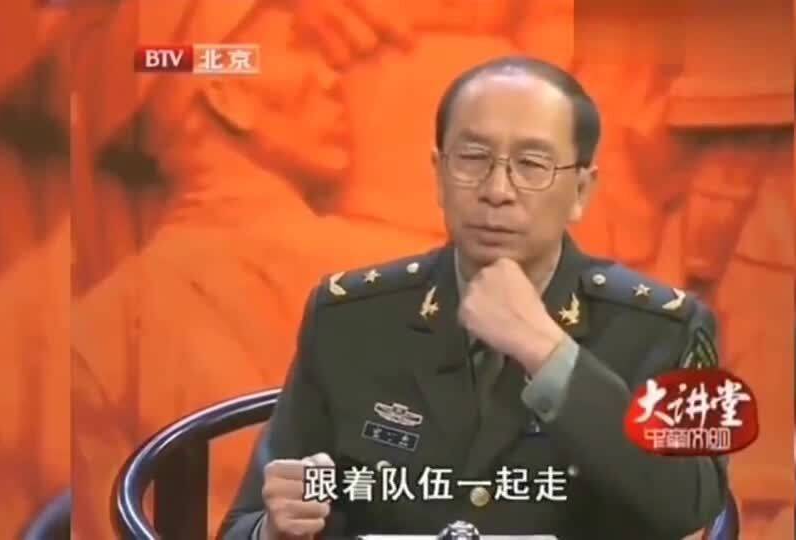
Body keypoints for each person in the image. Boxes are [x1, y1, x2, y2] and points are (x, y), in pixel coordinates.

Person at [219, 56, 728, 539]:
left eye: (531, 164)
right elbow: (245, 525)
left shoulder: (663, 329)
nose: (497, 190)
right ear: (439, 175)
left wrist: (549, 354)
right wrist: (275, 528)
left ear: (581, 191)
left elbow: (687, 504)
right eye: (473, 159)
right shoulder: (351, 319)